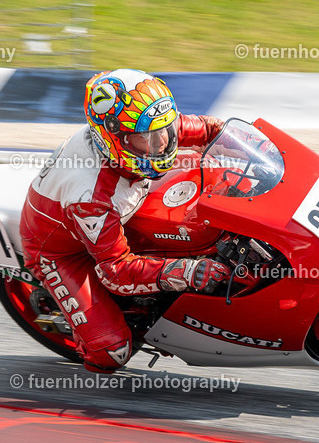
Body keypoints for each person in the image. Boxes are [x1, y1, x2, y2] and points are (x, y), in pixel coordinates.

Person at [19, 69, 231, 373]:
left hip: (120, 208)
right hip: (61, 251)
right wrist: (187, 271)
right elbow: (115, 272)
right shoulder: (91, 197)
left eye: (164, 130)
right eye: (145, 138)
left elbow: (208, 129)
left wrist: (254, 144)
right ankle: (92, 335)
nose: (161, 143)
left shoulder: (148, 126)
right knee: (112, 353)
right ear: (114, 140)